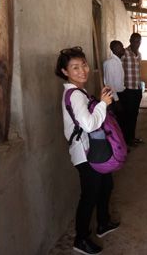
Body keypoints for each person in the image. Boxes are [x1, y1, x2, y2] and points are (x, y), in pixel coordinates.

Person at [57, 46, 120, 255]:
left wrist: (101, 101)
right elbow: (88, 125)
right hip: (84, 153)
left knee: (105, 185)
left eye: (83, 64)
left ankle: (103, 223)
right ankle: (80, 238)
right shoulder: (74, 94)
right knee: (90, 194)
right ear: (65, 72)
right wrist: (103, 104)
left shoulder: (79, 91)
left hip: (93, 149)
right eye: (75, 67)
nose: (82, 70)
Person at [120, 33, 144, 147]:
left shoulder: (139, 54)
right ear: (130, 40)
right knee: (127, 115)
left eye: (139, 41)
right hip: (128, 89)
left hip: (137, 89)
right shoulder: (124, 53)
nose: (137, 43)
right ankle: (126, 140)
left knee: (134, 114)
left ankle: (132, 137)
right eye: (134, 41)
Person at [102, 40, 125, 119]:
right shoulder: (110, 63)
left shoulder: (118, 62)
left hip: (120, 94)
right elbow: (110, 84)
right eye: (121, 47)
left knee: (121, 119)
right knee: (117, 120)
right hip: (114, 96)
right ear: (114, 49)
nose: (123, 49)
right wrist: (117, 100)